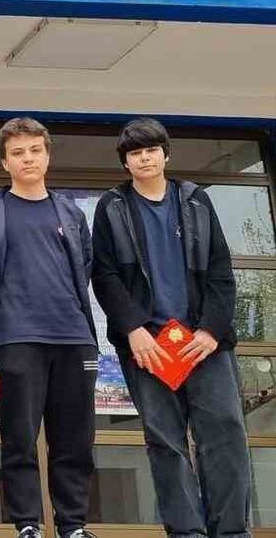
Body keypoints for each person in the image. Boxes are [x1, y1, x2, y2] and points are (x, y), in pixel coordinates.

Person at [91, 118, 251, 538]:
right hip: (150, 348)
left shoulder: (196, 200)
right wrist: (134, 329)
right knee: (165, 442)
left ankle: (231, 530)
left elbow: (220, 270)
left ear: (166, 155)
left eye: (151, 150)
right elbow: (105, 275)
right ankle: (186, 531)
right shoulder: (113, 207)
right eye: (135, 153)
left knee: (225, 435)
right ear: (125, 162)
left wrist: (211, 330)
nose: (144, 158)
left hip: (204, 344)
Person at [0, 117, 98, 538]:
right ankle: (27, 523)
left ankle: (72, 524)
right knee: (19, 438)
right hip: (16, 338)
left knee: (74, 439)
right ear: (4, 163)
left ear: (47, 155)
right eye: (18, 153)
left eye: (35, 150)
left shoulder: (70, 212)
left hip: (73, 336)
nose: (28, 159)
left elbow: (85, 267)